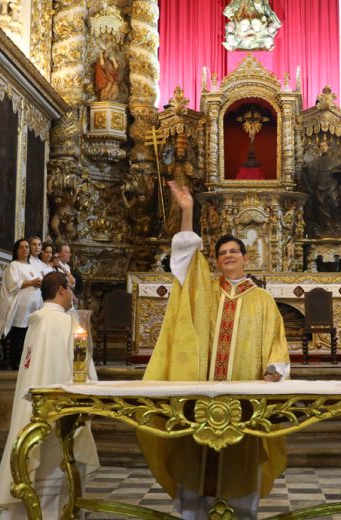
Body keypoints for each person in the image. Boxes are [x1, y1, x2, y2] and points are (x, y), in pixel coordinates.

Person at [138, 180, 290, 520]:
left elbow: (277, 342)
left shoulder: (263, 300)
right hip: (201, 401)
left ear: (246, 257)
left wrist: (274, 371)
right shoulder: (204, 292)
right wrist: (188, 212)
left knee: (240, 466)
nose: (228, 256)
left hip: (244, 403)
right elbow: (185, 258)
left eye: (234, 251)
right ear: (217, 261)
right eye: (222, 253)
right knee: (196, 463)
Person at [0, 271, 98, 519]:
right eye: (70, 289)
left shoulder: (37, 322)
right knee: (56, 469)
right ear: (60, 289)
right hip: (58, 412)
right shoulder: (64, 322)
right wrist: (89, 397)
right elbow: (78, 365)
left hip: (35, 409)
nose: (72, 295)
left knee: (30, 465)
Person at [0, 239, 43, 369]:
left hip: (34, 307)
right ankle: (17, 364)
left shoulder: (33, 266)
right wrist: (31, 282)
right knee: (19, 334)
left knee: (31, 335)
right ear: (16, 250)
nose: (25, 249)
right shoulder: (13, 265)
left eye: (26, 247)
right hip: (20, 308)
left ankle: (30, 363)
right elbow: (12, 284)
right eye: (21, 247)